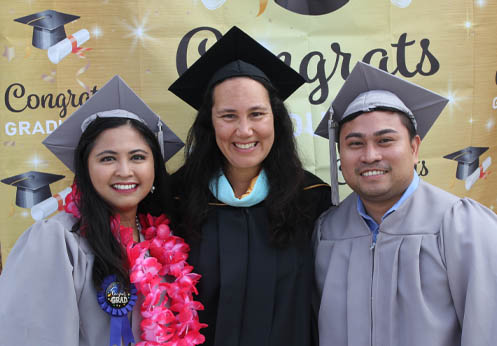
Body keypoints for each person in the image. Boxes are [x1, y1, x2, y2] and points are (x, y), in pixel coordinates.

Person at [0, 75, 206, 346]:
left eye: (137, 157)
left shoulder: (163, 246)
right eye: (107, 158)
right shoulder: (57, 241)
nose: (124, 171)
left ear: (154, 167)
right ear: (85, 168)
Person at [313, 61, 497, 346]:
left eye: (385, 140)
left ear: (414, 148)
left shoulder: (461, 225)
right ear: (340, 153)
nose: (370, 155)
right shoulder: (327, 231)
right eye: (355, 144)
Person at [168, 26, 331, 346]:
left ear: (276, 120)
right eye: (228, 115)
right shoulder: (175, 200)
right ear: (209, 123)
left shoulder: (312, 200)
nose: (244, 130)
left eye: (257, 114)